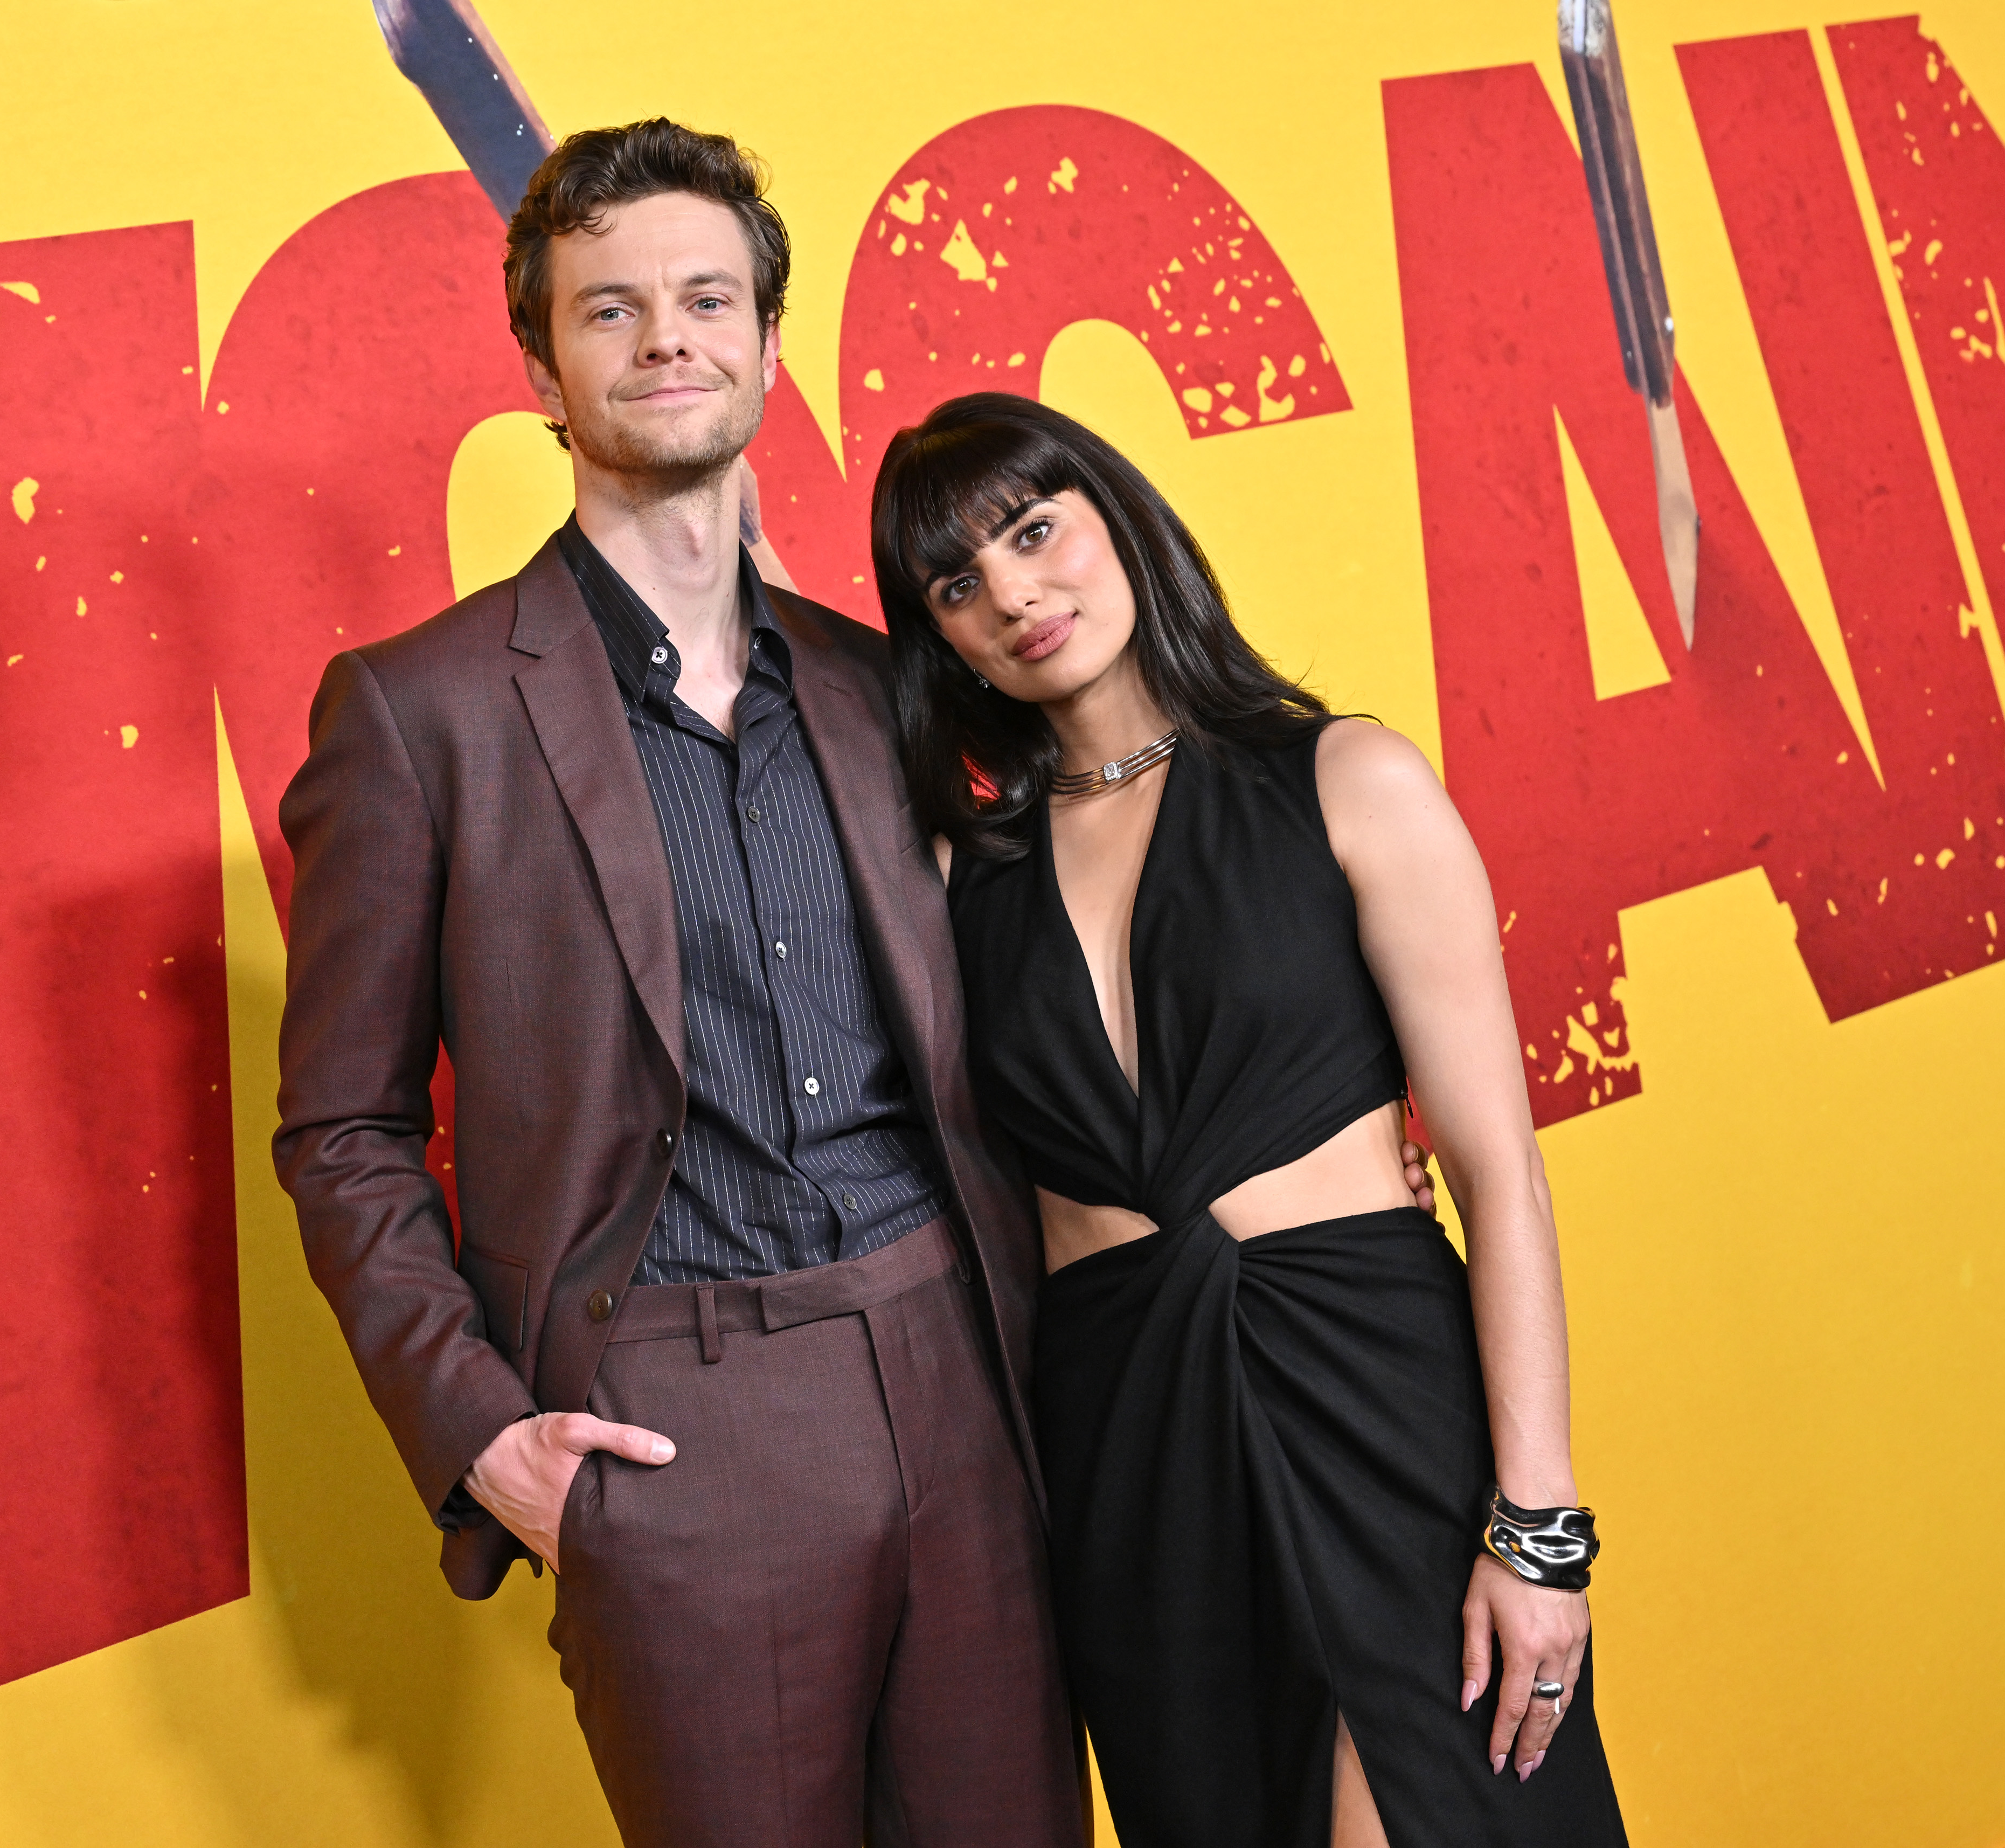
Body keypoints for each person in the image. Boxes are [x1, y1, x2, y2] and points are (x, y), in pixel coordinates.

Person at [271, 124, 1096, 1847]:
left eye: (709, 299)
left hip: (963, 1368)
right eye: (613, 310)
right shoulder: (419, 716)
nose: (668, 340)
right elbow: (342, 1128)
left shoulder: (894, 685)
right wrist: (479, 1430)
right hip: (678, 1420)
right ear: (541, 367)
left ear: (769, 346)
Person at [870, 392, 1630, 1847]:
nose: (1014, 596)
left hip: (1378, 1405)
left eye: (1034, 532)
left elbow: (1495, 1169)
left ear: (1117, 518)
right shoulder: (968, 882)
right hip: (1133, 1456)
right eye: (956, 583)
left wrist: (1537, 1528)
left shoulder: (1347, 779)